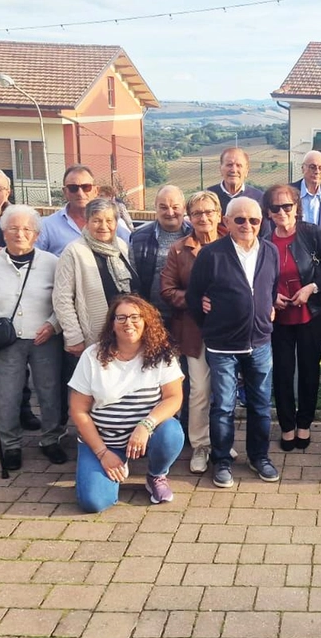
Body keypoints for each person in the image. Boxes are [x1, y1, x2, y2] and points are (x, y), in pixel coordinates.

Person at [186, 197, 281, 489]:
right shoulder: (211, 254)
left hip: (261, 342)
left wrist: (264, 315)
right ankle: (222, 460)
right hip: (223, 345)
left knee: (261, 405)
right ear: (226, 222)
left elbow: (271, 287)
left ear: (261, 222)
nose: (247, 226)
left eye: (253, 220)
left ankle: (258, 456)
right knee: (224, 406)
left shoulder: (270, 251)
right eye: (239, 220)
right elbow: (194, 297)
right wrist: (214, 327)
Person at [0, 204, 67, 471]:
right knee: (7, 394)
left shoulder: (53, 263)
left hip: (44, 337)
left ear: (36, 234)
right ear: (4, 232)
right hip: (5, 341)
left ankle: (50, 439)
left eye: (26, 229)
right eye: (13, 228)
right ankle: (11, 444)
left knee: (49, 391)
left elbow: (63, 301)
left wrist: (53, 325)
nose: (20, 234)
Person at [68, 294, 186, 511]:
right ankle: (107, 465)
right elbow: (78, 411)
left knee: (171, 431)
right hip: (104, 439)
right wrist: (102, 453)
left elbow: (174, 397)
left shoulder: (162, 354)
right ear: (112, 324)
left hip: (145, 435)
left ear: (146, 322)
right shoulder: (92, 356)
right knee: (93, 502)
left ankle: (156, 476)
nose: (128, 323)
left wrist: (146, 425)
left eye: (135, 317)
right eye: (120, 318)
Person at [262, 184, 321, 452]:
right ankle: (287, 427)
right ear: (268, 212)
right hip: (279, 317)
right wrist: (270, 296)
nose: (282, 212)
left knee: (309, 371)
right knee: (283, 373)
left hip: (311, 314)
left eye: (287, 206)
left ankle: (304, 425)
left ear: (296, 207)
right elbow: (255, 277)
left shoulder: (311, 234)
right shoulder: (263, 239)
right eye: (275, 207)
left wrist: (312, 288)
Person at [52, 196, 137, 427]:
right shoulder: (74, 251)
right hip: (93, 336)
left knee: (117, 387)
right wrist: (74, 336)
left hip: (123, 334)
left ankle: (118, 431)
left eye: (109, 220)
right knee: (92, 390)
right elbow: (61, 298)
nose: (104, 226)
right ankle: (89, 437)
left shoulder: (120, 246)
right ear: (87, 222)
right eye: (97, 220)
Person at [159, 191, 223, 474]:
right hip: (194, 331)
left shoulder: (232, 243)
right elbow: (167, 289)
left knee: (226, 390)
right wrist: (195, 300)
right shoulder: (179, 249)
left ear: (219, 214)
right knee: (199, 390)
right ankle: (200, 445)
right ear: (189, 218)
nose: (203, 218)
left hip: (229, 331)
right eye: (197, 213)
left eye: (209, 212)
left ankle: (222, 440)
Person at [38, 165, 131, 256]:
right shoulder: (47, 226)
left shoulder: (115, 223)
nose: (80, 193)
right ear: (65, 192)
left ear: (96, 191)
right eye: (73, 188)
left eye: (86, 187)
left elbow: (131, 253)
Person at [129, 185, 190, 321]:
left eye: (175, 207)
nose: (170, 212)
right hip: (152, 317)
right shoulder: (139, 238)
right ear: (155, 207)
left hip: (188, 317)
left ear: (184, 208)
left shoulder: (195, 235)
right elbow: (134, 282)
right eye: (163, 207)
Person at [206, 147, 265, 214]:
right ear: (220, 169)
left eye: (239, 165)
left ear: (246, 171)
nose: (233, 170)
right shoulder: (208, 197)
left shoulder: (259, 198)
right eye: (229, 165)